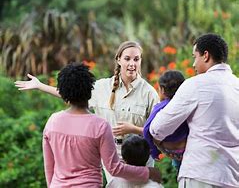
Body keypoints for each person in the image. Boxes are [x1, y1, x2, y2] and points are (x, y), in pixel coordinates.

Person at [15, 41, 159, 181]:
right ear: (118, 60)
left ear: (141, 61)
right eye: (127, 59)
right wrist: (40, 86)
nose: (132, 64)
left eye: (136, 59)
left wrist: (134, 129)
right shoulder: (102, 87)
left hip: (141, 159)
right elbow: (72, 93)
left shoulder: (149, 93)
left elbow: (157, 131)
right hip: (112, 157)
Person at [42, 63, 161, 187]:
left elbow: (49, 166)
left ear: (63, 94)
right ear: (90, 91)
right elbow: (114, 168)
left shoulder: (52, 122)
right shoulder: (100, 126)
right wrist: (147, 173)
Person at [150, 33, 239, 188]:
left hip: (200, 175)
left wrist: (163, 146)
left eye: (194, 57)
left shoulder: (195, 84)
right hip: (233, 177)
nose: (193, 64)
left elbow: (158, 128)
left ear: (206, 55)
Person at [143, 70, 189, 171]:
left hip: (172, 151)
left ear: (162, 90)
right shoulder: (186, 105)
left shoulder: (161, 107)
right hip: (188, 150)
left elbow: (146, 129)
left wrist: (154, 151)